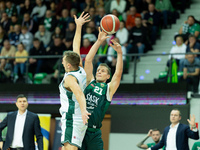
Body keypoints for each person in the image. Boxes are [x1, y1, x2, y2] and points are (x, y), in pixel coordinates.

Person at [79, 28, 123, 150]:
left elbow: (118, 74)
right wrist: (98, 41)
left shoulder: (108, 88)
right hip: (80, 129)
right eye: (98, 70)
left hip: (94, 133)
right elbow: (88, 60)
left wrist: (119, 53)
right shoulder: (90, 81)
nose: (99, 71)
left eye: (103, 71)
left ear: (108, 76)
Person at [59, 12, 91, 150]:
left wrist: (84, 111)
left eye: (63, 61)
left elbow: (79, 93)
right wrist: (78, 26)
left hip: (73, 118)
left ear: (68, 65)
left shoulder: (70, 78)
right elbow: (76, 46)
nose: (62, 62)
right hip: (78, 117)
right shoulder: (80, 69)